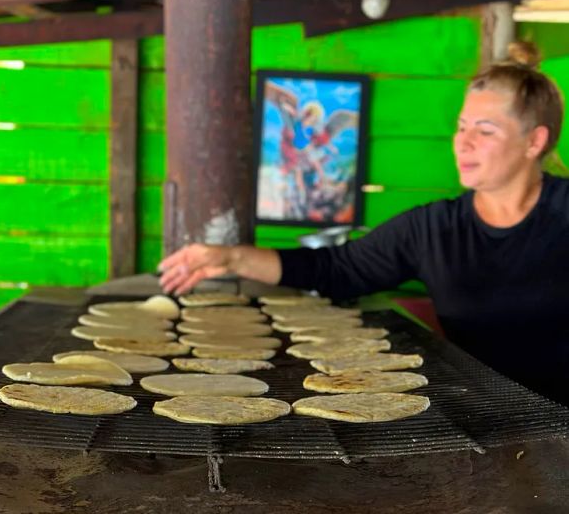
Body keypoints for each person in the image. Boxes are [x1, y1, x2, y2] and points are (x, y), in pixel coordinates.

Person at [158, 41, 569, 406]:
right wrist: (231, 259)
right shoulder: (433, 229)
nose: (463, 142)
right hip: (482, 413)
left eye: (485, 130)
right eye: (461, 127)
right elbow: (337, 269)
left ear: (534, 141)